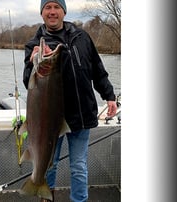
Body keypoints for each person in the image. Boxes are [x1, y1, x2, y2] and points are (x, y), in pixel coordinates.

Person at [22, 0, 118, 201]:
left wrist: (109, 95)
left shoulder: (82, 37)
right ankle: (45, 196)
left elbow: (98, 70)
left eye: (57, 7)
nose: (52, 11)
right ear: (42, 13)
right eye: (47, 7)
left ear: (64, 11)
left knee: (79, 168)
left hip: (81, 115)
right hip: (50, 120)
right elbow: (27, 81)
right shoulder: (34, 44)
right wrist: (34, 63)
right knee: (49, 165)